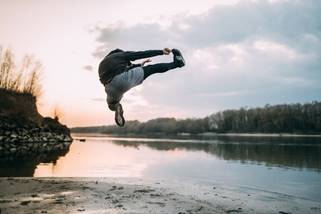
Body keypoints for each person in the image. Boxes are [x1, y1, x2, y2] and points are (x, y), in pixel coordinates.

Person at [98, 48, 185, 127]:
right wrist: (161, 52)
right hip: (122, 80)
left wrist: (140, 65)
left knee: (111, 104)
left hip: (109, 87)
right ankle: (178, 63)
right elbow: (140, 54)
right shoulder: (121, 54)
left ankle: (117, 107)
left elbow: (126, 68)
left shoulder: (102, 64)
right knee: (152, 69)